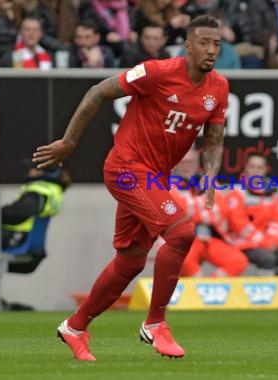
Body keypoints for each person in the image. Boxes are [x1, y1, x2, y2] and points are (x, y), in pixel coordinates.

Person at [32, 15, 228, 361]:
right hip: (125, 169)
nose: (211, 50)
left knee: (131, 260)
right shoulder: (156, 72)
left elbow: (213, 137)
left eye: (216, 44)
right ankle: (155, 324)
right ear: (187, 46)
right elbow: (98, 92)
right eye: (204, 43)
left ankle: (75, 327)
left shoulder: (219, 88)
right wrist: (68, 142)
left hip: (154, 178)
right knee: (181, 233)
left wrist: (211, 173)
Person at [0, 165, 71, 280]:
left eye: (34, 169)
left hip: (18, 239)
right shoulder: (52, 190)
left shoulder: (39, 190)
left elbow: (17, 213)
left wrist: (0, 212)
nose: (30, 171)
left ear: (41, 173)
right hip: (25, 241)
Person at [171, 148, 249, 277]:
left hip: (210, 237)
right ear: (176, 164)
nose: (186, 166)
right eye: (183, 162)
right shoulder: (167, 184)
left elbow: (220, 212)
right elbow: (179, 214)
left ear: (197, 163)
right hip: (184, 240)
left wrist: (192, 207)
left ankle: (212, 288)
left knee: (238, 261)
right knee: (184, 262)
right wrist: (203, 206)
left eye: (190, 162)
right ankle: (199, 289)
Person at [225, 153, 278, 276]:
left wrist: (272, 240)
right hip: (243, 243)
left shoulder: (272, 193)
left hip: (269, 243)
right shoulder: (237, 192)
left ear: (265, 170)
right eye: (252, 166)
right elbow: (239, 225)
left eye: (260, 167)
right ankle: (265, 293)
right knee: (267, 258)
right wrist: (265, 242)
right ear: (246, 169)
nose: (255, 171)